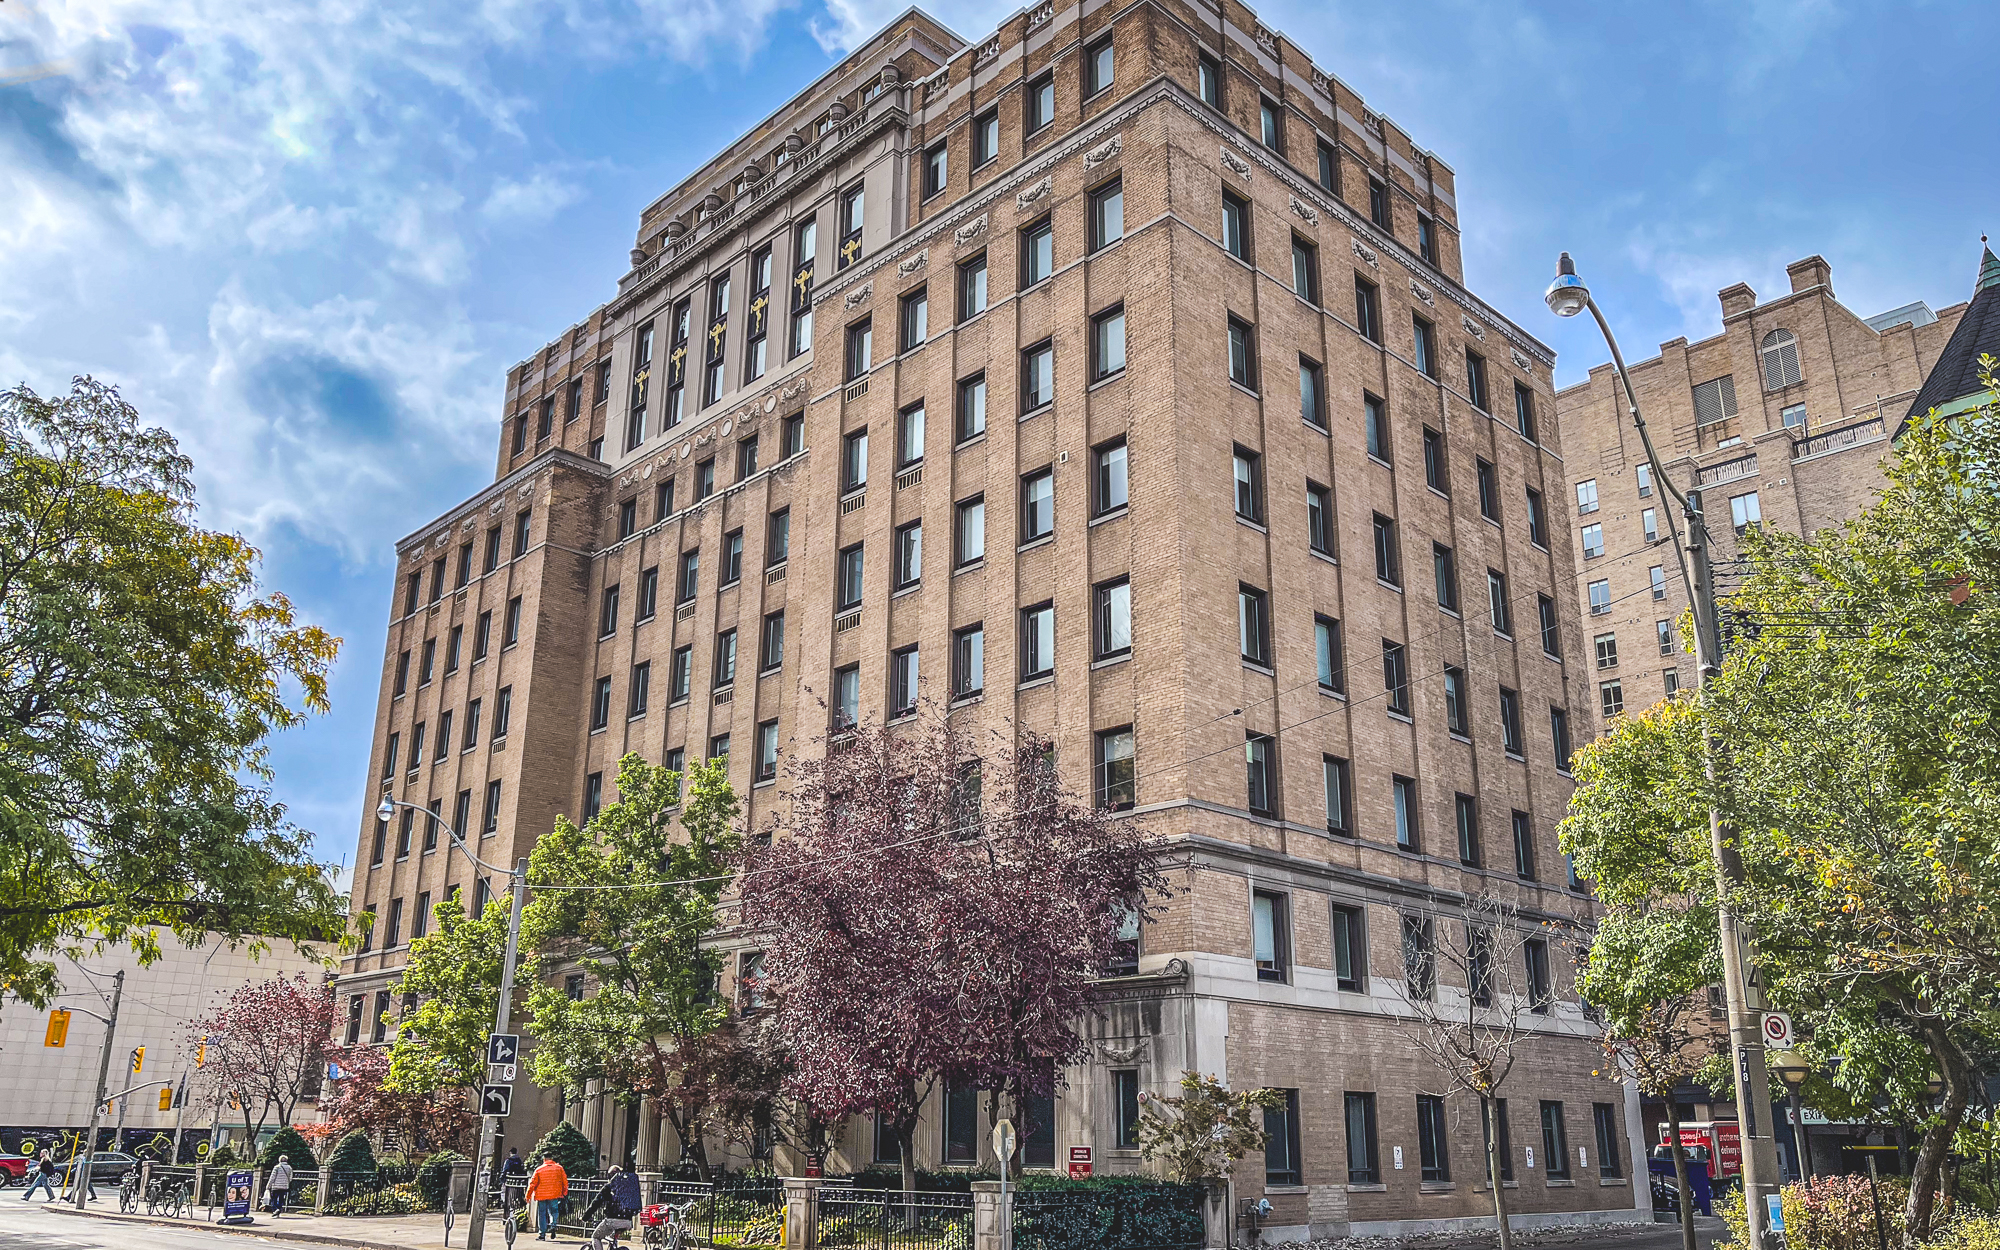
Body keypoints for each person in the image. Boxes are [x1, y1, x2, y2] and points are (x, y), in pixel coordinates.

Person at [579, 1164, 640, 1249]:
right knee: (612, 1238)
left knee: (596, 1237)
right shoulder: (629, 1187)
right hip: (628, 1221)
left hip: (613, 1220)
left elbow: (596, 1203)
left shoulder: (610, 1187)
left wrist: (585, 1217)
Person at [525, 1153, 568, 1241]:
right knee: (554, 1211)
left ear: (544, 1159)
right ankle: (553, 1225)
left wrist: (528, 1195)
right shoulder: (559, 1168)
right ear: (551, 1158)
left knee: (542, 1214)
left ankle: (542, 1234)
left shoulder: (539, 1169)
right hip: (554, 1194)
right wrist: (564, 1192)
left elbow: (532, 1183)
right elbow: (565, 1181)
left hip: (541, 1195)